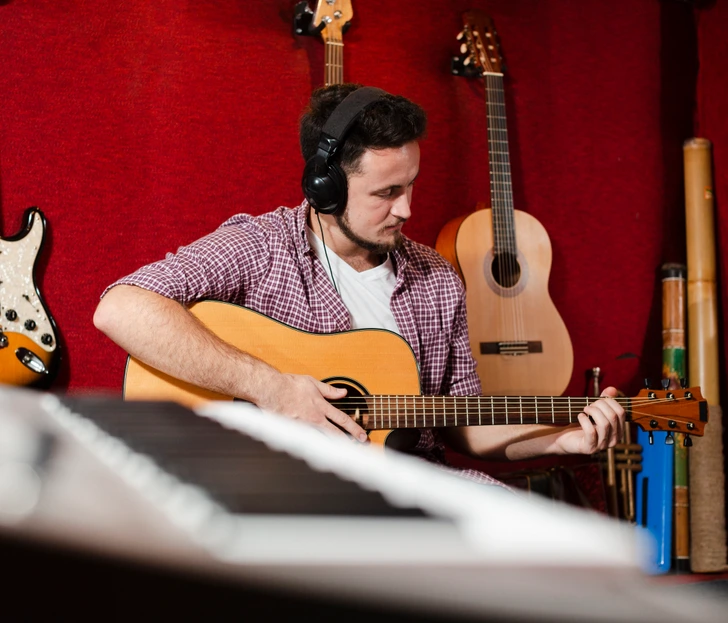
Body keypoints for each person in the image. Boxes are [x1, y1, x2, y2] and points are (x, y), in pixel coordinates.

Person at [94, 83, 625, 487]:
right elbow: (120, 306)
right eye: (386, 192)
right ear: (325, 187)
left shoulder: (437, 278)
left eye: (411, 186)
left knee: (533, 542)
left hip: (409, 485)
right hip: (280, 488)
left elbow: (464, 422)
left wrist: (560, 440)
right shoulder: (261, 246)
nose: (407, 209)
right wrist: (270, 388)